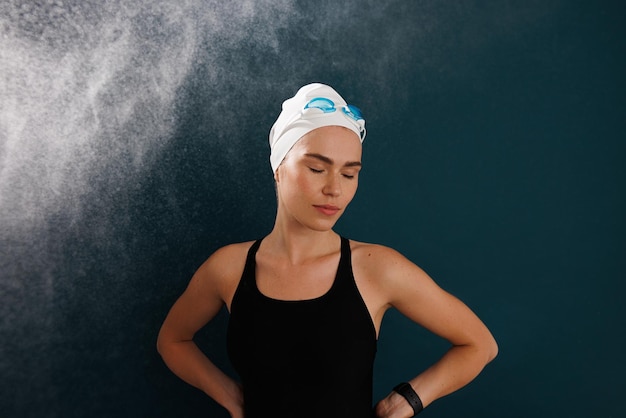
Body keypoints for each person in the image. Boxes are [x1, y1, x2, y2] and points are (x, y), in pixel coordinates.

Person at [157, 83, 498, 418]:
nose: (334, 189)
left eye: (349, 174)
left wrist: (405, 401)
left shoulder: (376, 268)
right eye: (317, 169)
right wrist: (230, 396)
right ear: (279, 168)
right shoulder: (227, 268)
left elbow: (479, 344)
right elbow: (172, 340)